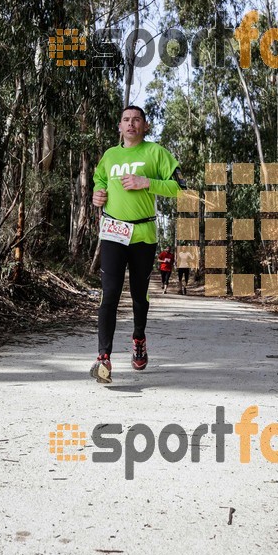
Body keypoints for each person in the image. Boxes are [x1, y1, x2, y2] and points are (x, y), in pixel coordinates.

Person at [90, 105, 185, 383]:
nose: (131, 124)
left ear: (145, 126)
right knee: (109, 293)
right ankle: (103, 358)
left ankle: (139, 337)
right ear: (119, 126)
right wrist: (97, 193)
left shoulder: (156, 153)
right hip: (113, 233)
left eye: (136, 120)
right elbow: (99, 180)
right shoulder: (110, 156)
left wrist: (147, 182)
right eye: (126, 120)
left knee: (139, 295)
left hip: (143, 234)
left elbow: (181, 187)